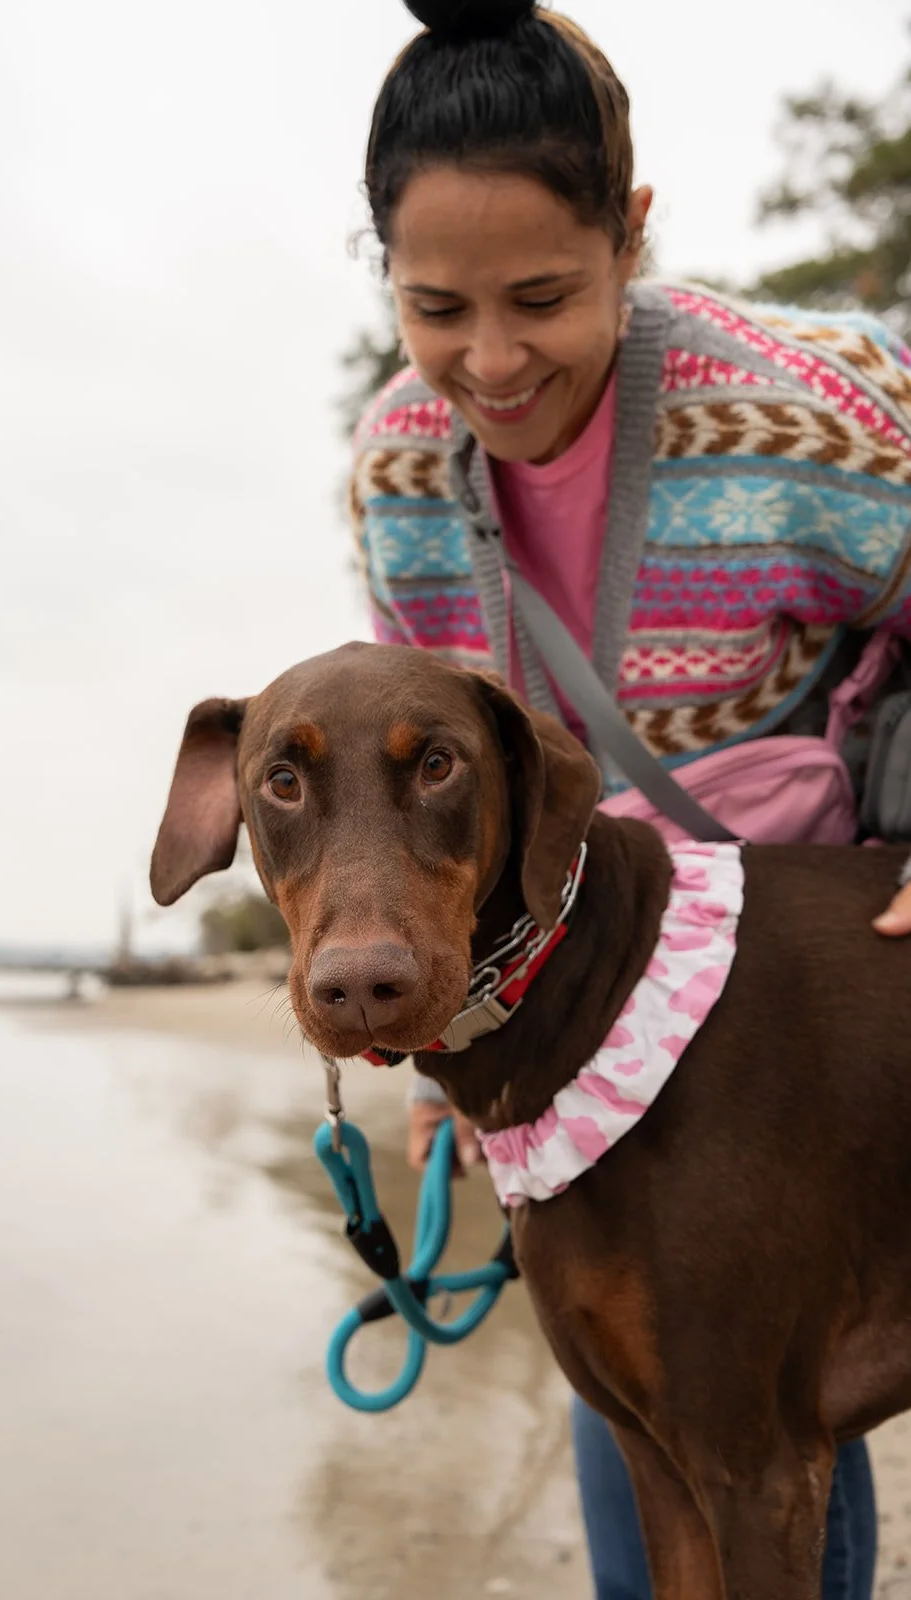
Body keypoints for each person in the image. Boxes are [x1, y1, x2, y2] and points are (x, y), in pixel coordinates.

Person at [348, 1, 911, 1594]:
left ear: (632, 234)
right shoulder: (399, 470)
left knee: (752, 1419)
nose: (492, 359)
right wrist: (439, 1025)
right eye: (435, 307)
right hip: (570, 979)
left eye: (544, 296)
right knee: (652, 1425)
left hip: (795, 976)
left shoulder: (817, 414)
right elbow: (426, 754)